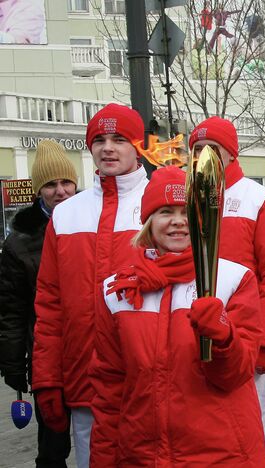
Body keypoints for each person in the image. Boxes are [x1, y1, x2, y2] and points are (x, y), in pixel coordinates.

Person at [89, 166, 265, 466]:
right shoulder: (116, 291)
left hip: (220, 456)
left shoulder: (232, 280)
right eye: (165, 212)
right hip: (142, 457)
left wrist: (223, 336)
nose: (178, 222)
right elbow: (110, 388)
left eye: (186, 211)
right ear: (147, 221)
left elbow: (238, 373)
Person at [31, 104, 149, 468]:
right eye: (99, 139)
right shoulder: (67, 215)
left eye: (119, 139)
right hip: (86, 385)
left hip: (147, 381)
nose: (108, 148)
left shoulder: (160, 205)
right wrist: (47, 379)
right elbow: (49, 305)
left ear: (137, 145)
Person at [189, 117, 265, 468]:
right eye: (197, 150)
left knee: (255, 426)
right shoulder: (185, 198)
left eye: (212, 150)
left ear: (231, 154)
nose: (204, 157)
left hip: (244, 340)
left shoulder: (259, 201)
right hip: (191, 336)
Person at [0, 140, 77, 467]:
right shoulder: (19, 242)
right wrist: (14, 364)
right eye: (50, 184)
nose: (60, 191)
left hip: (93, 350)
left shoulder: (93, 220)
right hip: (47, 354)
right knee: (52, 444)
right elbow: (11, 311)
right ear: (37, 190)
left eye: (66, 183)